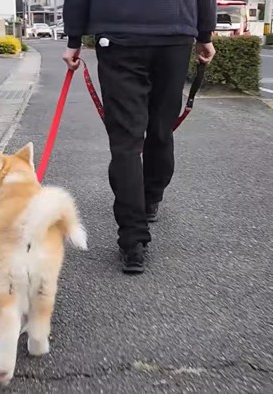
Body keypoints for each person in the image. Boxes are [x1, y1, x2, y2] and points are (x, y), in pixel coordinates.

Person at [62, 0, 217, 274]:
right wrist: (204, 34)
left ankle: (133, 241)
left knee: (126, 142)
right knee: (161, 128)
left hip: (118, 34)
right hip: (174, 32)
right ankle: (150, 198)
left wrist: (74, 38)